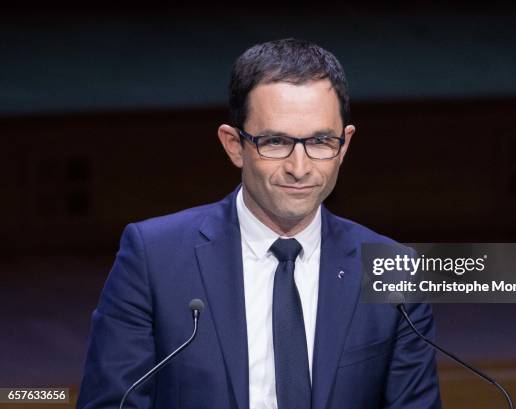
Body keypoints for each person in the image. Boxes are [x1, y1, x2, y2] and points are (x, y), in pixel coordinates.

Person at [77, 38, 441, 409]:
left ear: (344, 145)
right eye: (275, 141)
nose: (299, 168)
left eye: (319, 141)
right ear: (234, 144)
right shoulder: (153, 258)